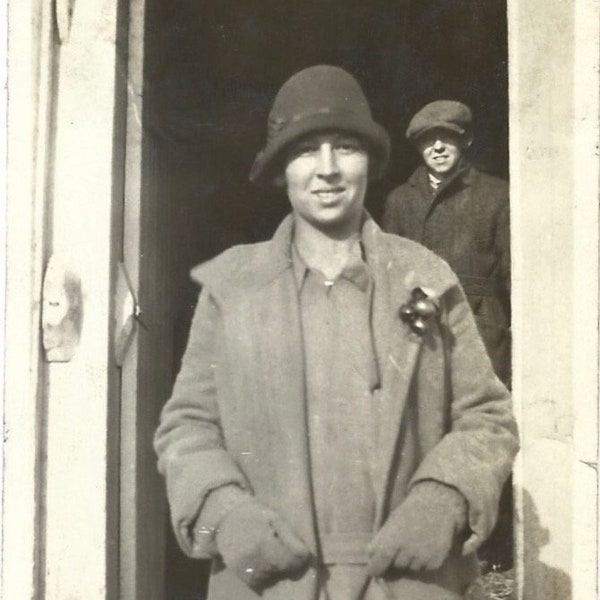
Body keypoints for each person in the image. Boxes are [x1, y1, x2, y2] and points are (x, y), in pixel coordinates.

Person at [154, 66, 518, 600]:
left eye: (345, 147)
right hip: (274, 577)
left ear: (370, 161)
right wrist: (228, 517)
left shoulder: (426, 277)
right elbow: (187, 426)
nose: (327, 169)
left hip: (409, 578)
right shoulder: (233, 287)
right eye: (305, 151)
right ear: (281, 169)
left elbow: (486, 415)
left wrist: (442, 499)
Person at [382, 101, 511, 386]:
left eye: (447, 137)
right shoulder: (400, 200)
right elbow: (388, 278)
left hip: (482, 335)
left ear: (465, 140)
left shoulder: (497, 195)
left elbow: (513, 276)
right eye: (428, 140)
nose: (438, 147)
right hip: (419, 334)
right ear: (418, 148)